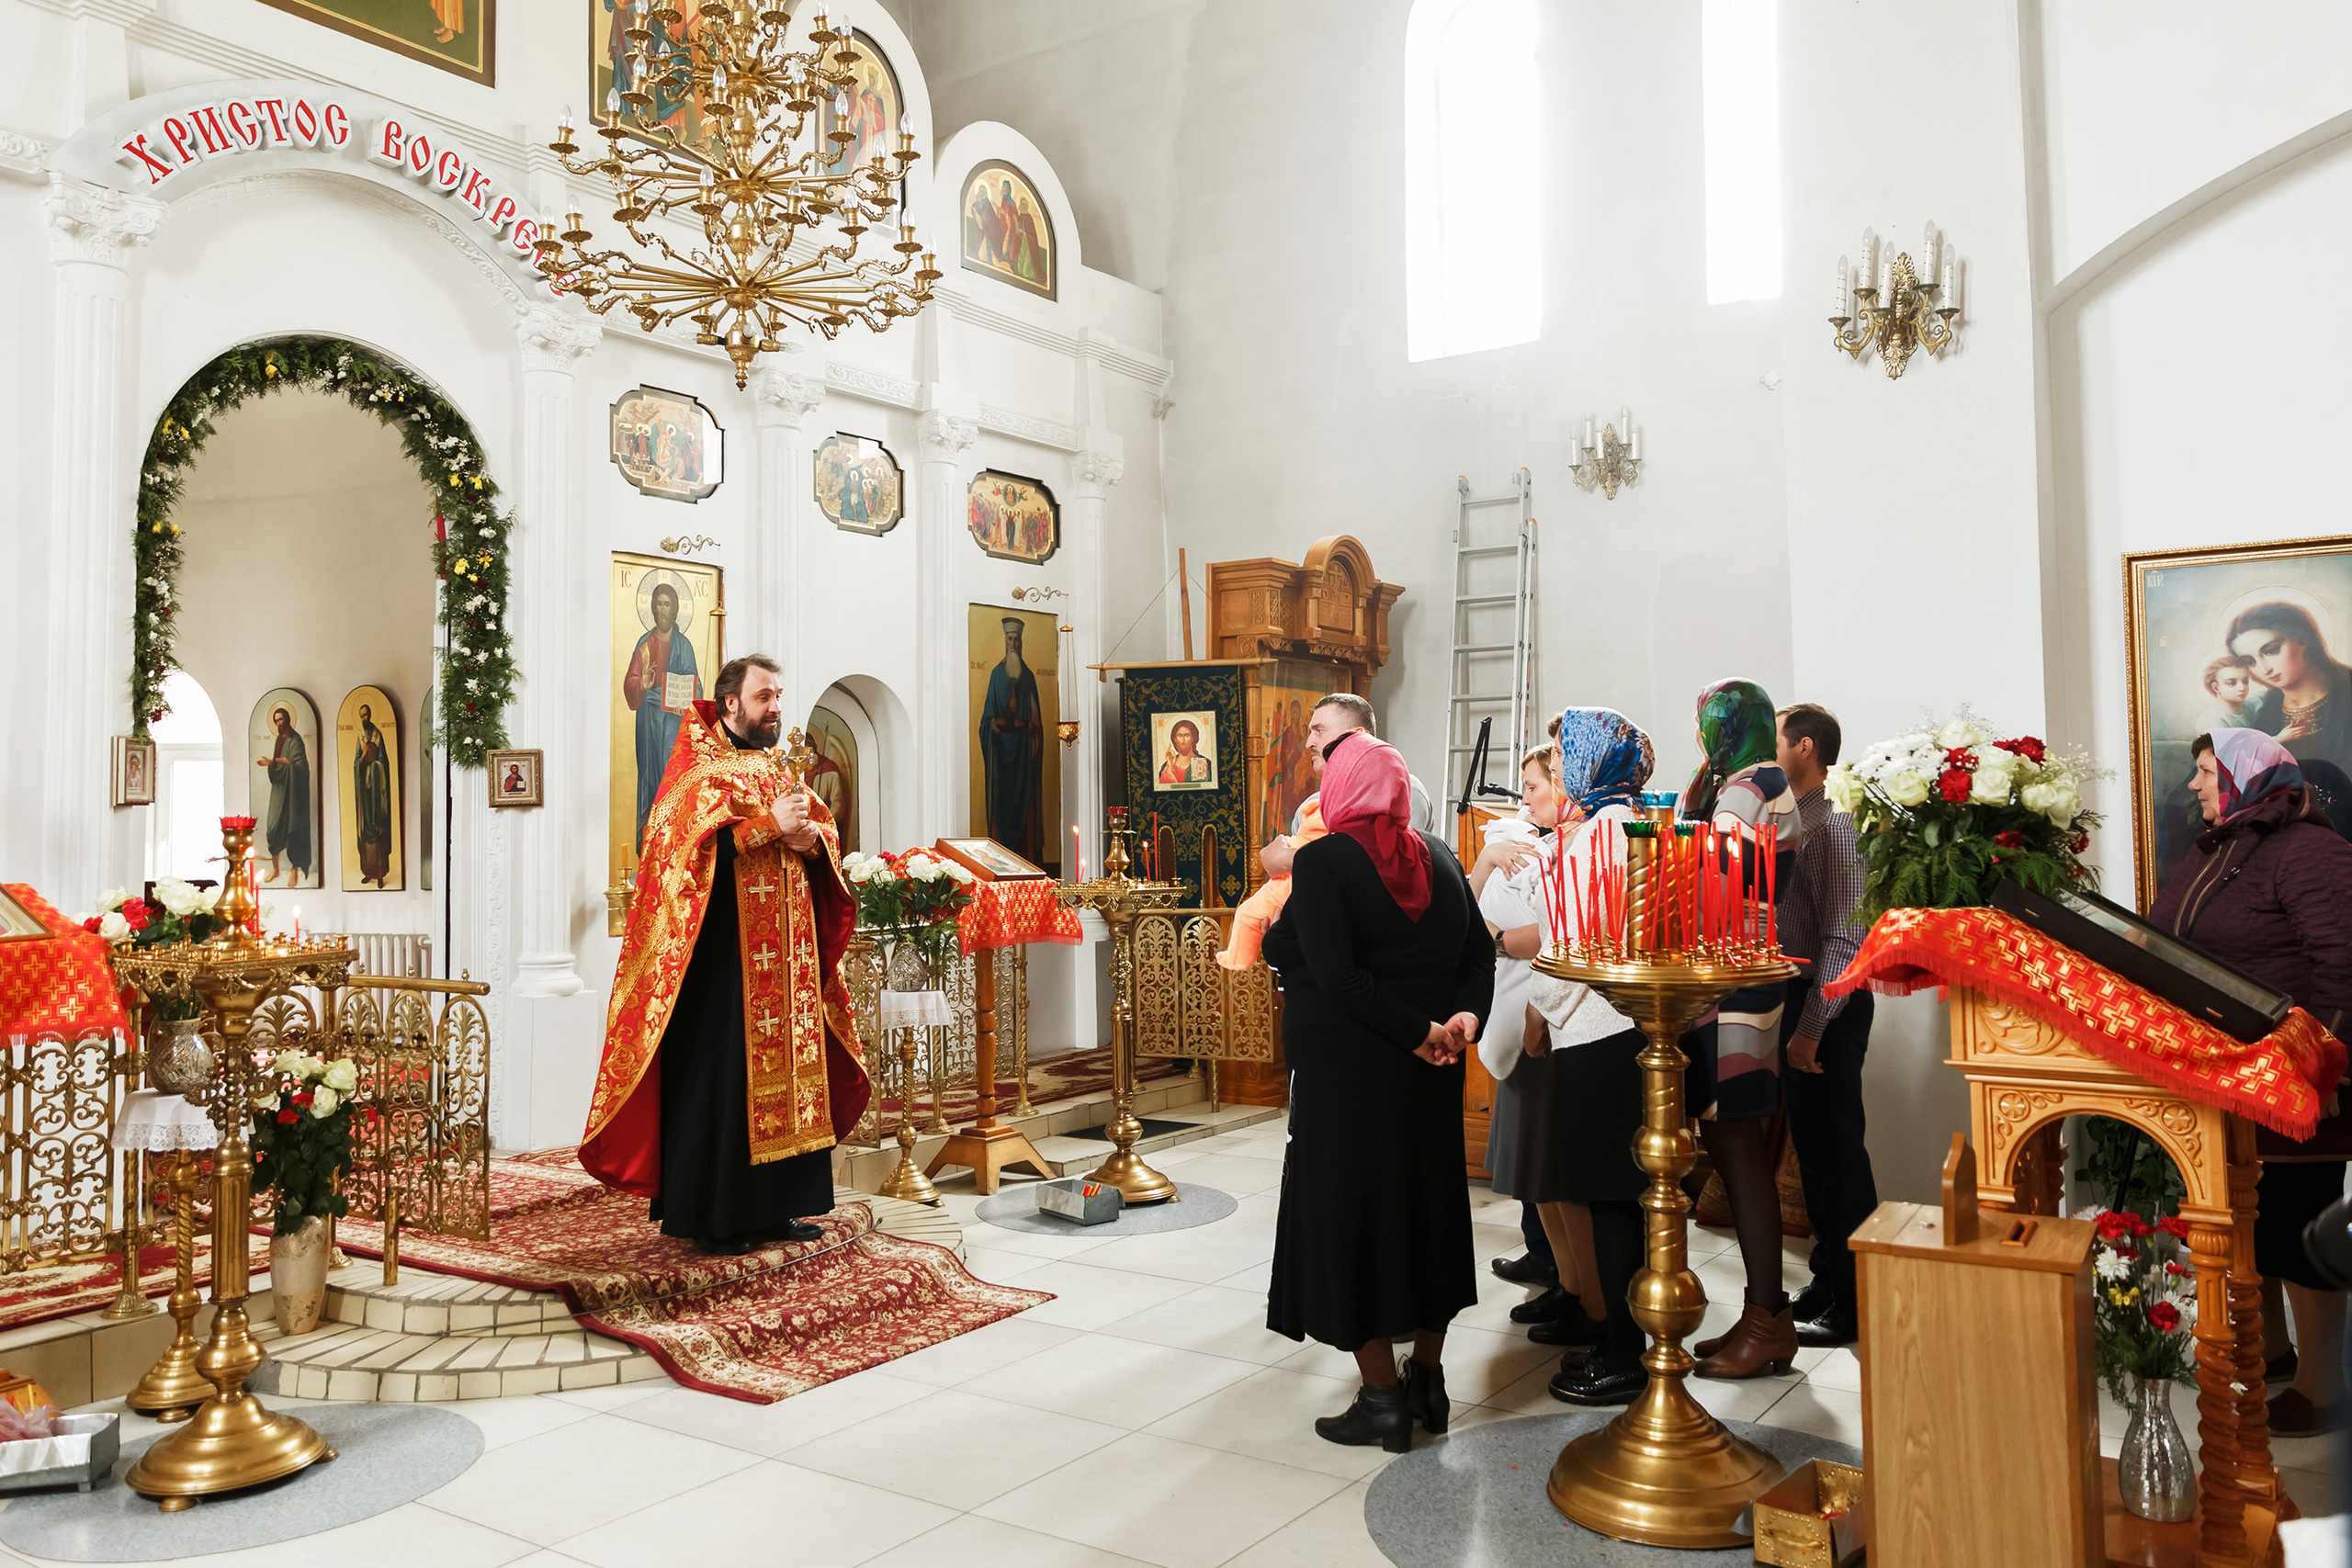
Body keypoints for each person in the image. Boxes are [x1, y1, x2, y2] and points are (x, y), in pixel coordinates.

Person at [582, 654, 872, 1255]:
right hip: (722, 970)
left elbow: (817, 831)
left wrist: (813, 840)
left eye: (779, 695)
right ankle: (720, 1218)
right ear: (732, 702)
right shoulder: (697, 769)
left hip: (786, 962)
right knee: (728, 1086)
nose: (776, 707)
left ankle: (778, 1208)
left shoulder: (775, 764)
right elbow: (679, 852)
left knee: (791, 1081)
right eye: (765, 696)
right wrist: (766, 827)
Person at [1262, 731, 1491, 1453]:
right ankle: (1427, 1374)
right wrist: (1460, 1020)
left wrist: (1420, 1027)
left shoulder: (1326, 858)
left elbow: (1338, 976)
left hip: (1352, 1069)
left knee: (1352, 1218)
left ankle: (1382, 1398)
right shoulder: (1443, 855)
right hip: (1430, 1071)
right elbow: (1477, 952)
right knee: (1428, 1213)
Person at [2151, 728, 2352, 1435]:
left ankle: (2326, 1390)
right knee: (2248, 1224)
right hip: (2229, 1074)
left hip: (2299, 1080)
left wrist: (2320, 1059)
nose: (2194, 785)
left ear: (2246, 777)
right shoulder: (2223, 848)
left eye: (2206, 771)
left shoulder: (2311, 850)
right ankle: (2274, 1353)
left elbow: (2344, 963)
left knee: (2297, 1230)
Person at [1480, 713, 1657, 1405]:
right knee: (1607, 1194)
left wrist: (1536, 1011)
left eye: (1564, 757)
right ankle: (1617, 1337)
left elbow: (1569, 942)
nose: (1558, 770)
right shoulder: (1621, 822)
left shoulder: (1601, 834)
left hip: (1595, 1029)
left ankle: (1621, 1353)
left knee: (1609, 1198)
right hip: (1609, 1026)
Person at [1679, 678, 1808, 1379]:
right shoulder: (1756, 780)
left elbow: (1715, 883)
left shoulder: (1746, 790)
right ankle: (1765, 1315)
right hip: (1741, 971)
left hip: (1733, 979)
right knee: (1731, 1142)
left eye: (1706, 721)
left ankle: (1766, 1322)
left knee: (1735, 1140)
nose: (1699, 733)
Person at [1771, 703, 1877, 1348]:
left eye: (1777, 739)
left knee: (1838, 1152)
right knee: (1811, 1152)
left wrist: (1810, 1027)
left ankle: (1856, 1298)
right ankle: (1828, 1274)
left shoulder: (1835, 825)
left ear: (1804, 748)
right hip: (1802, 995)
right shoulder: (1799, 821)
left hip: (1828, 1003)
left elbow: (1845, 937)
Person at [623, 581, 700, 852]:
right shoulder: (645, 644)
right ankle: (651, 840)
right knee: (651, 777)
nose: (663, 609)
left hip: (674, 724)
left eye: (668, 604)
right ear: (652, 609)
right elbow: (631, 682)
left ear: (675, 609)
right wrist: (642, 684)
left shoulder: (684, 645)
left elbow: (696, 686)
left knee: (673, 775)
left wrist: (685, 699)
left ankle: (674, 840)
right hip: (649, 723)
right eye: (658, 603)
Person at [2233, 602, 2352, 775]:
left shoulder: (2345, 693)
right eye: (2249, 662)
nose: (2264, 669)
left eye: (2271, 651)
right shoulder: (2265, 711)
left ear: (2301, 639)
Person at [978, 617, 1046, 863]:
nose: (1014, 644)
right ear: (1005, 642)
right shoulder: (997, 674)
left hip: (1023, 754)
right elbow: (986, 718)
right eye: (1010, 639)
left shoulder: (1028, 677)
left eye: (1017, 639)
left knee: (1024, 810)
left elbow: (1037, 720)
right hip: (1001, 754)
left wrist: (1033, 729)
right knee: (1002, 811)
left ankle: (1026, 857)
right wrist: (991, 725)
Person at [256, 705, 311, 886]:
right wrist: (272, 765)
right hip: (280, 788)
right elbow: (280, 765)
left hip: (294, 792)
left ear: (287, 719)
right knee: (273, 828)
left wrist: (274, 761)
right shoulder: (279, 739)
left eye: (281, 719)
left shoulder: (295, 740)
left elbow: (299, 765)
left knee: (293, 829)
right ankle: (276, 869)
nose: (279, 723)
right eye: (276, 721)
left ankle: (294, 869)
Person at [353, 704, 394, 887]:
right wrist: (362, 759)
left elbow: (384, 761)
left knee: (378, 829)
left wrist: (375, 764)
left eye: (367, 715)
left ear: (371, 716)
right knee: (366, 828)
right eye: (362, 716)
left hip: (378, 792)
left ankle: (379, 875)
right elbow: (356, 763)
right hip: (365, 792)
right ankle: (368, 872)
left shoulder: (378, 736)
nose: (364, 719)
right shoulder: (360, 737)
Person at [2197, 655, 2258, 736]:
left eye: (2245, 681)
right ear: (2216, 687)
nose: (2242, 687)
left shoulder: (2249, 706)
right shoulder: (2211, 720)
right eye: (2232, 683)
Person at [1158, 719, 1213, 786]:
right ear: (1174, 739)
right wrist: (1169, 768)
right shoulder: (1167, 766)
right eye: (1180, 736)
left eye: (1187, 735)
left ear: (1193, 738)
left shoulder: (1204, 763)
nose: (1183, 740)